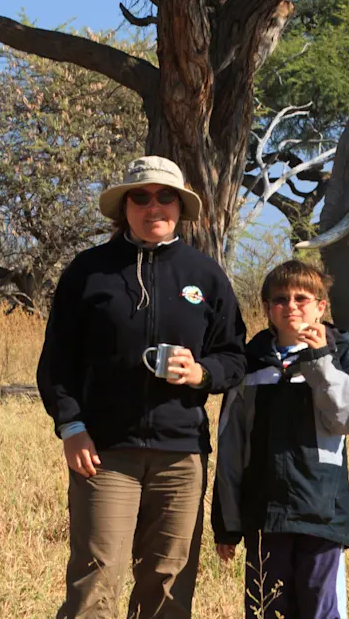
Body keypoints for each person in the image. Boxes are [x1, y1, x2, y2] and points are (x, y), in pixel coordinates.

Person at [37, 155, 247, 618]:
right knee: (97, 575)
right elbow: (56, 361)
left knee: (169, 582)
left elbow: (235, 355)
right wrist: (71, 426)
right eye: (141, 196)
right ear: (124, 207)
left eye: (165, 196)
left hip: (181, 452)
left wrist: (203, 373)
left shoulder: (205, 274)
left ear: (180, 206)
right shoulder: (89, 271)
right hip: (105, 452)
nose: (154, 206)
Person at [211, 260, 349, 619]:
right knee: (266, 610)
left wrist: (320, 362)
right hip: (263, 514)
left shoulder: (341, 354)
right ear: (268, 309)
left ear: (321, 306)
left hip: (321, 513)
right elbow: (231, 446)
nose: (291, 306)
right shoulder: (250, 364)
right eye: (280, 299)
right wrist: (226, 523)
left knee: (320, 610)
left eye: (302, 298)